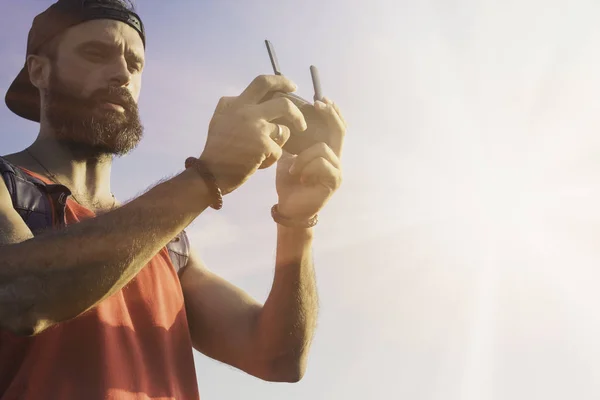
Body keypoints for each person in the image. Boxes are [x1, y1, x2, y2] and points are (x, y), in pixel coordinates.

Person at [0, 0, 346, 399]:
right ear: (38, 70)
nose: (120, 74)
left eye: (135, 64)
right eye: (96, 53)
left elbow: (277, 358)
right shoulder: (9, 185)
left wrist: (297, 222)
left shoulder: (168, 244)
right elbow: (22, 297)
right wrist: (206, 177)